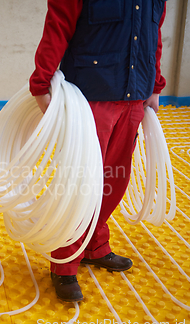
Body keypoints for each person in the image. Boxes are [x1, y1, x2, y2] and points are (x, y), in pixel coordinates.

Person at [29, 0, 167, 302]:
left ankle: (93, 246)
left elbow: (153, 36)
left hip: (134, 96)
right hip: (90, 97)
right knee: (80, 185)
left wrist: (155, 85)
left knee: (114, 181)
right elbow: (57, 27)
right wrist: (41, 83)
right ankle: (64, 264)